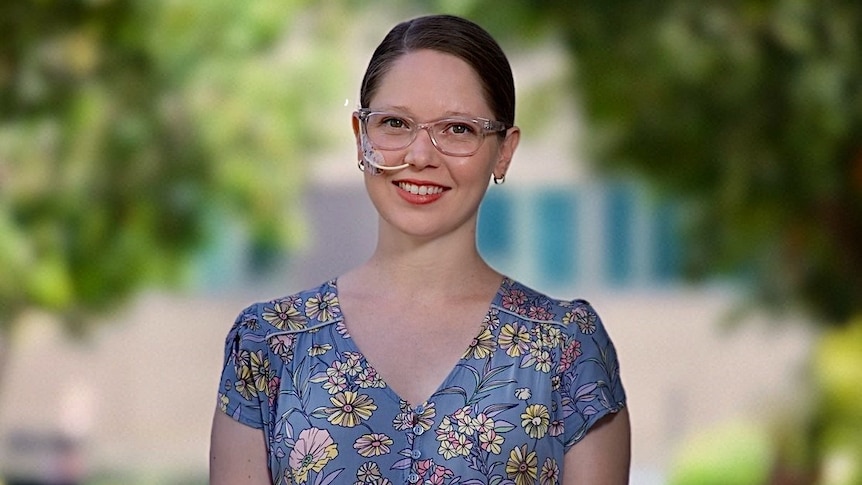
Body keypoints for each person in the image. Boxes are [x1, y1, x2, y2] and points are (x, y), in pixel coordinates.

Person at [210, 14, 630, 485]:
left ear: (504, 151)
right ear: (361, 137)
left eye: (457, 129)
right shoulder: (269, 345)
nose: (420, 156)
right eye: (395, 123)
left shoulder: (567, 348)